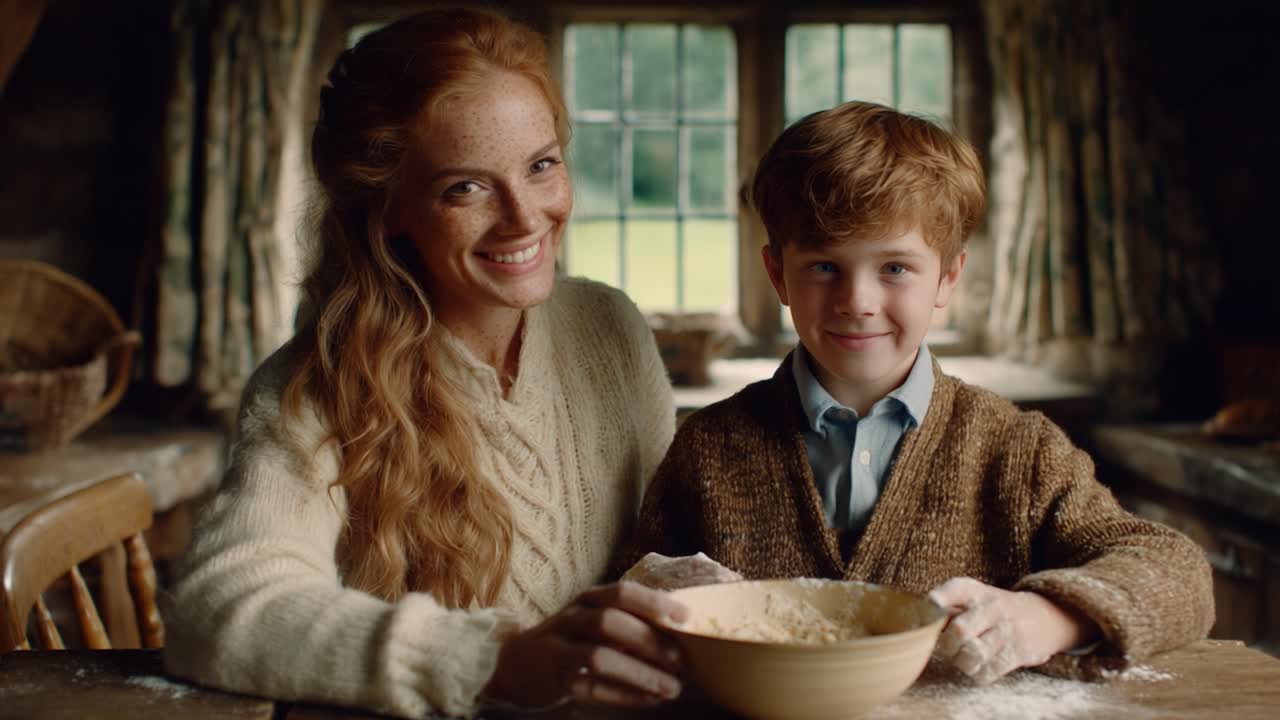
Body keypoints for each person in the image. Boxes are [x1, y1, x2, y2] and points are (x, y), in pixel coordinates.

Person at [162, 8, 705, 718]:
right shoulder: (315, 386)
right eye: (465, 188)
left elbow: (663, 549)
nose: (523, 217)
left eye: (541, 165)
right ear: (387, 209)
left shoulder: (611, 329)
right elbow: (218, 610)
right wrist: (492, 661)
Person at [613, 101, 1215, 684]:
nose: (858, 301)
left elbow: (1178, 573)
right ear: (778, 276)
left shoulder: (1017, 451)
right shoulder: (708, 448)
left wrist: (1047, 617)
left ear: (947, 277)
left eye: (895, 268)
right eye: (824, 265)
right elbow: (632, 603)